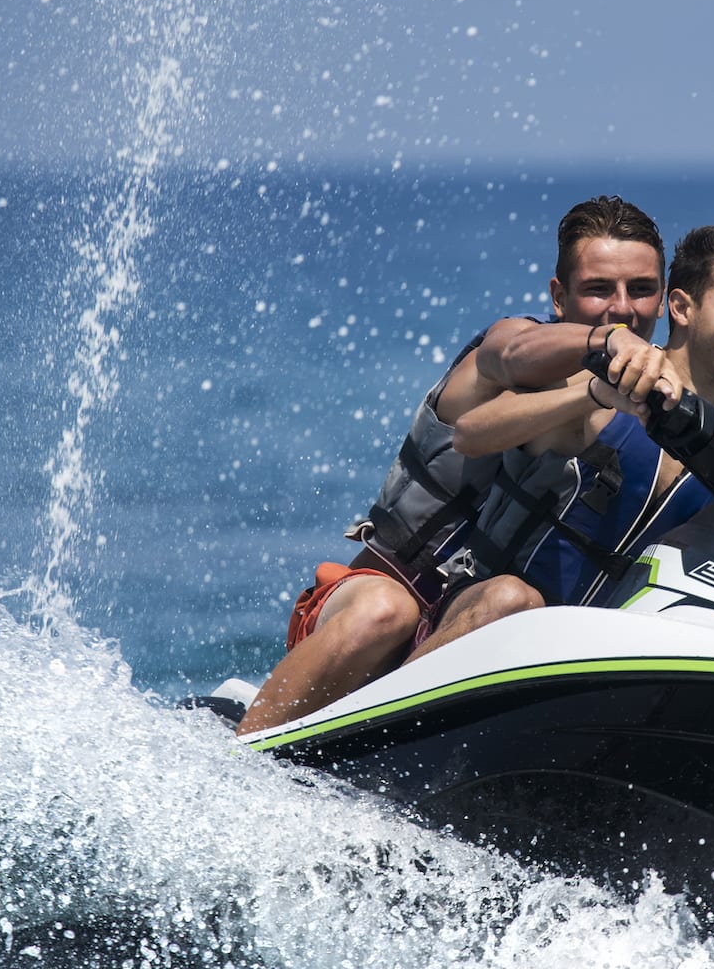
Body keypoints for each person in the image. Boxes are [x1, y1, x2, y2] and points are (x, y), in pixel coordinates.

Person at [236, 196, 678, 735]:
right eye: (598, 290)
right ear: (559, 297)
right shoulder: (501, 350)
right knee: (387, 611)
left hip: (466, 633)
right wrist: (605, 344)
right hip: (367, 610)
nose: (622, 309)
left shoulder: (630, 416)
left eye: (641, 290)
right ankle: (244, 754)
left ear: (665, 301)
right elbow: (514, 359)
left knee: (514, 601)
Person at [417, 225, 714, 654]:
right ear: (682, 308)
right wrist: (589, 395)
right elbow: (469, 434)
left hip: (590, 662)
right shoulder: (599, 383)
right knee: (513, 599)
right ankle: (386, 714)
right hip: (483, 616)